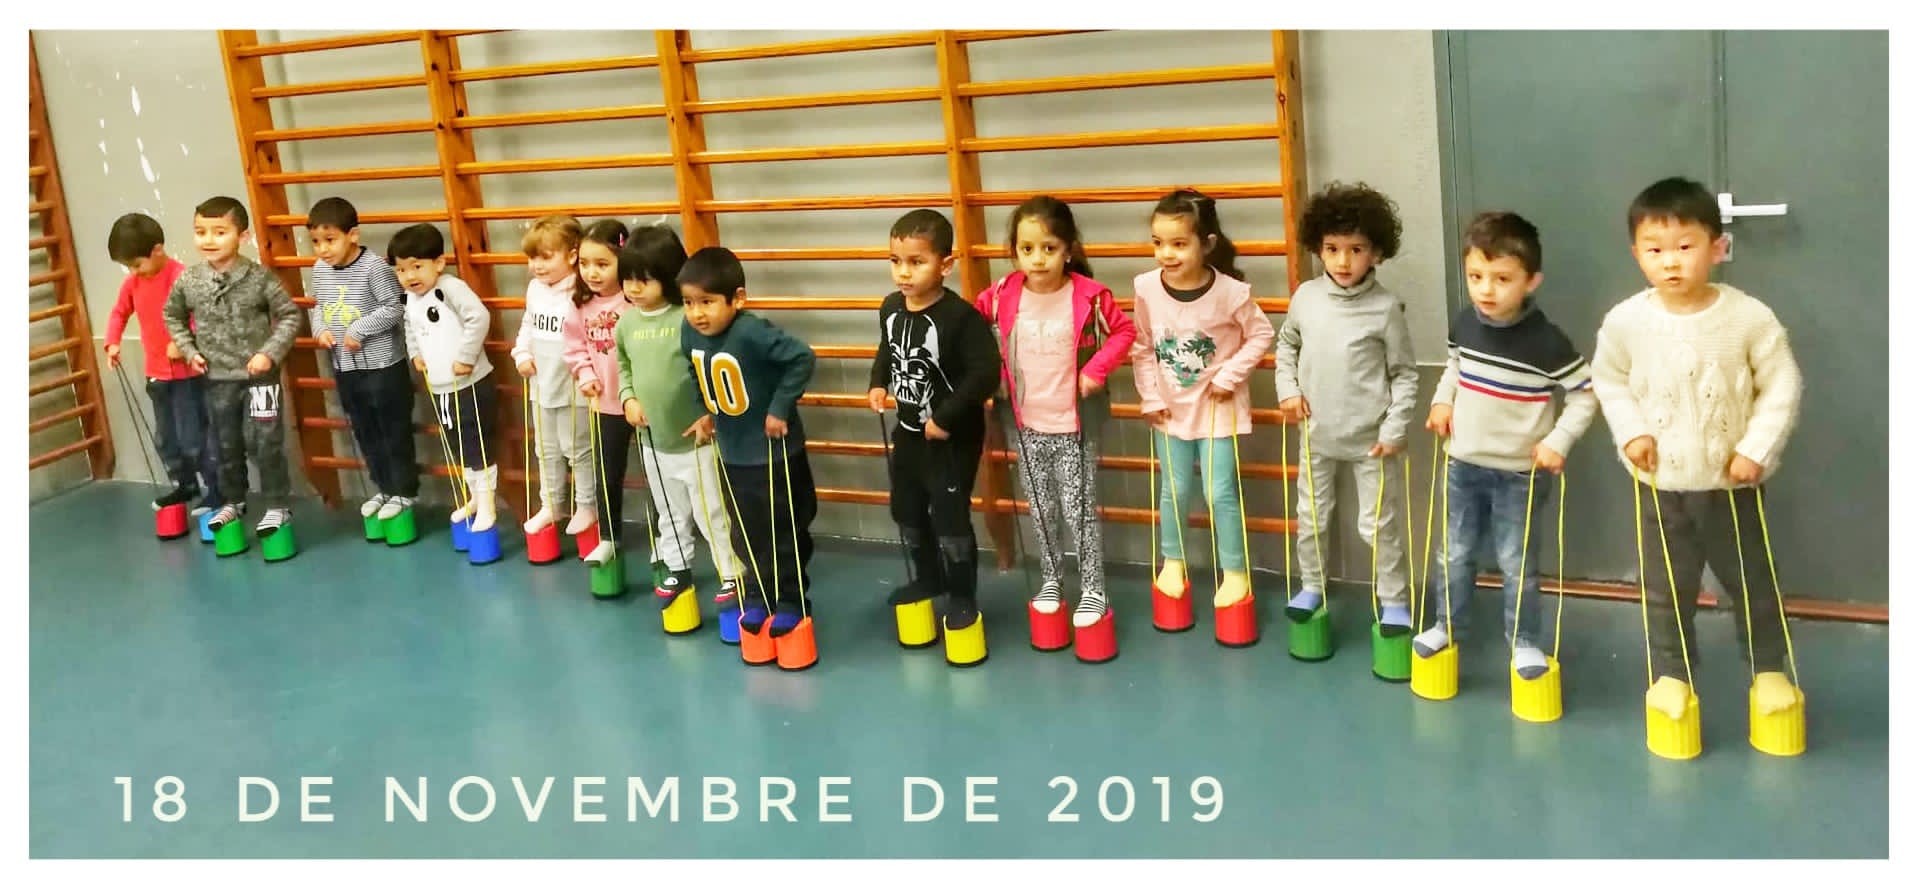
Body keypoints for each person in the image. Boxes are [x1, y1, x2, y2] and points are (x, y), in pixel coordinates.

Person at [1589, 175, 1805, 721]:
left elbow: (1782, 385)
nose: (1671, 262)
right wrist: (1632, 432)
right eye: (1655, 250)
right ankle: (1672, 673)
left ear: (1717, 247)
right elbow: (1608, 380)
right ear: (1636, 254)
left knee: (1753, 582)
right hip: (1660, 487)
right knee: (1666, 588)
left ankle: (1769, 668)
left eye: (1685, 246)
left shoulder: (1749, 317)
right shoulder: (1625, 322)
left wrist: (1757, 448)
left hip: (1732, 485)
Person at [1417, 210, 1597, 679]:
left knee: (1517, 563)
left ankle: (1524, 642)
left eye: (1502, 278)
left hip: (1520, 475)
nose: (1486, 290)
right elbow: (1454, 367)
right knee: (1454, 553)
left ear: (1531, 281)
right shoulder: (1464, 323)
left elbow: (1585, 394)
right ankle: (1445, 625)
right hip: (1462, 465)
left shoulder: (1548, 342)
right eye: (1476, 276)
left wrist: (1559, 440)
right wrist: (1441, 402)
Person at [972, 196, 1135, 627]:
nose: (1038, 259)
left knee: (1078, 510)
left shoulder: (1090, 296)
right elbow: (969, 328)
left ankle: (1093, 588)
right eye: (1027, 249)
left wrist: (1096, 369)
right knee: (1042, 508)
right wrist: (990, 376)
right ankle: (1051, 579)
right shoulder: (1001, 295)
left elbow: (1124, 331)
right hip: (1025, 424)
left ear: (1068, 249)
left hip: (1074, 425)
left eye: (1049, 248)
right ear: (1014, 252)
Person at [1272, 182, 1420, 634]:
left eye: (1355, 250)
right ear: (1318, 247)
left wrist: (1394, 429)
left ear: (1376, 253)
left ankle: (1394, 600)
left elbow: (1405, 373)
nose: (1342, 261)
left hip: (1371, 442)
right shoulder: (1306, 297)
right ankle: (1311, 586)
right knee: (1311, 519)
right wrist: (1287, 390)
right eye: (1332, 249)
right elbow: (1287, 347)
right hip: (1315, 435)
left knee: (1379, 526)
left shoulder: (1385, 308)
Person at [1132, 189, 1275, 610]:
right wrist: (1149, 397)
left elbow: (1261, 335)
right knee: (1174, 490)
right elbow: (1142, 347)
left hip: (1217, 411)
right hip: (1169, 412)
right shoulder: (1146, 288)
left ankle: (1235, 572)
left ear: (1207, 243)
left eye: (1179, 243)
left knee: (1219, 493)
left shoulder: (1232, 293)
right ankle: (1173, 561)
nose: (1166, 253)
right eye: (1158, 242)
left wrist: (1230, 376)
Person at [867, 209, 1002, 630]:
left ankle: (962, 596)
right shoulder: (891, 307)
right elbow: (887, 349)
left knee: (950, 519)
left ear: (945, 265)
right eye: (895, 261)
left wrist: (945, 418)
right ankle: (928, 578)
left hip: (951, 440)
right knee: (906, 510)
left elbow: (985, 373)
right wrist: (878, 383)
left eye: (916, 262)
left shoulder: (961, 318)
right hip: (908, 433)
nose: (903, 272)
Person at [679, 246, 819, 637]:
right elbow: (696, 372)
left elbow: (801, 358)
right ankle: (758, 594)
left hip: (774, 455)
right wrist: (705, 411)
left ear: (737, 299)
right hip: (733, 455)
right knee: (744, 531)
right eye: (688, 303)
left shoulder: (751, 331)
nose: (697, 313)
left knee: (783, 531)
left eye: (707, 302)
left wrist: (779, 408)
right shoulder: (689, 332)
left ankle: (791, 599)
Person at [613, 224, 745, 605]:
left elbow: (709, 368)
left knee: (712, 512)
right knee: (668, 511)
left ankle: (731, 572)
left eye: (644, 280)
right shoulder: (626, 323)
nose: (634, 288)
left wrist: (710, 414)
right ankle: (678, 566)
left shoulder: (686, 320)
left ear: (669, 276)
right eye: (628, 279)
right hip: (653, 442)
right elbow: (623, 366)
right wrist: (628, 399)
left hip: (697, 443)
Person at [162, 196, 302, 535]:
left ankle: (277, 506)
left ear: (243, 237)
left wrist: (269, 353)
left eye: (219, 232)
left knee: (265, 442)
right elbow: (172, 315)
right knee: (225, 444)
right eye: (201, 232)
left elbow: (290, 315)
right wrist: (188, 349)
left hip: (260, 379)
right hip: (217, 380)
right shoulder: (189, 280)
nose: (208, 240)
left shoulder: (259, 278)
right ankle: (233, 501)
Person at [305, 196, 418, 526]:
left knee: (392, 430)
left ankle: (404, 491)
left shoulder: (374, 268)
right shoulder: (320, 269)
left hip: (383, 367)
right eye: (316, 242)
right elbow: (319, 306)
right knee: (365, 430)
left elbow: (394, 307)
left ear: (353, 235)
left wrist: (359, 329)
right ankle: (384, 488)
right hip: (346, 367)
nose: (322, 249)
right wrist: (321, 329)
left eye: (330, 240)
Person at [103, 211, 220, 513]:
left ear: (157, 250)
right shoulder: (133, 283)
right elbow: (119, 312)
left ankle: (216, 490)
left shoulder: (181, 277)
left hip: (187, 376)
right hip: (156, 375)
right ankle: (185, 485)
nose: (133, 271)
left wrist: (183, 342)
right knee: (166, 439)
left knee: (195, 437)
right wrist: (112, 342)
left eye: (136, 264)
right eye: (128, 266)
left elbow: (202, 316)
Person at [390, 223, 499, 533]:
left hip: (470, 384)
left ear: (438, 263)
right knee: (458, 447)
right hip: (440, 388)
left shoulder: (450, 288)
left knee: (477, 446)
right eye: (401, 270)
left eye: (417, 266)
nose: (409, 276)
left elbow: (479, 317)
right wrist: (415, 353)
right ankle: (475, 497)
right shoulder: (409, 298)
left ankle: (488, 503)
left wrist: (466, 357)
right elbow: (410, 327)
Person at [510, 215, 596, 540]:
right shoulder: (535, 288)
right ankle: (551, 505)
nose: (537, 266)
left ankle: (587, 505)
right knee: (545, 450)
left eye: (546, 257)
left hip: (574, 389)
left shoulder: (582, 291)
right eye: (532, 258)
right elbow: (528, 325)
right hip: (541, 385)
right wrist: (522, 353)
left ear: (572, 256)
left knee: (578, 450)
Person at [564, 219, 636, 566]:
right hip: (604, 404)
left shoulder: (635, 300)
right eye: (584, 263)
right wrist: (585, 374)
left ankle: (665, 540)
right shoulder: (579, 302)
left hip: (640, 403)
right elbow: (574, 346)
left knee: (657, 476)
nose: (591, 272)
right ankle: (609, 537)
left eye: (602, 264)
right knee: (607, 475)